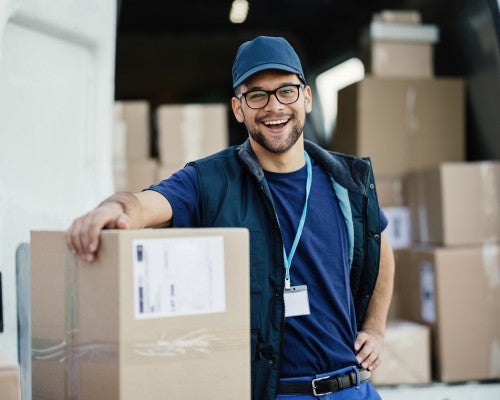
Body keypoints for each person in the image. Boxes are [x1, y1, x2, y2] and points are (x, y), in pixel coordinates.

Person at [67, 36, 394, 400]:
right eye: (257, 95)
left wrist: (376, 329)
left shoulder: (346, 181)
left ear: (306, 97)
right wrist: (112, 209)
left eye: (286, 91)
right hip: (276, 393)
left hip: (354, 388)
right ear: (239, 108)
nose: (274, 107)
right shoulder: (210, 182)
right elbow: (143, 206)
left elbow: (381, 249)